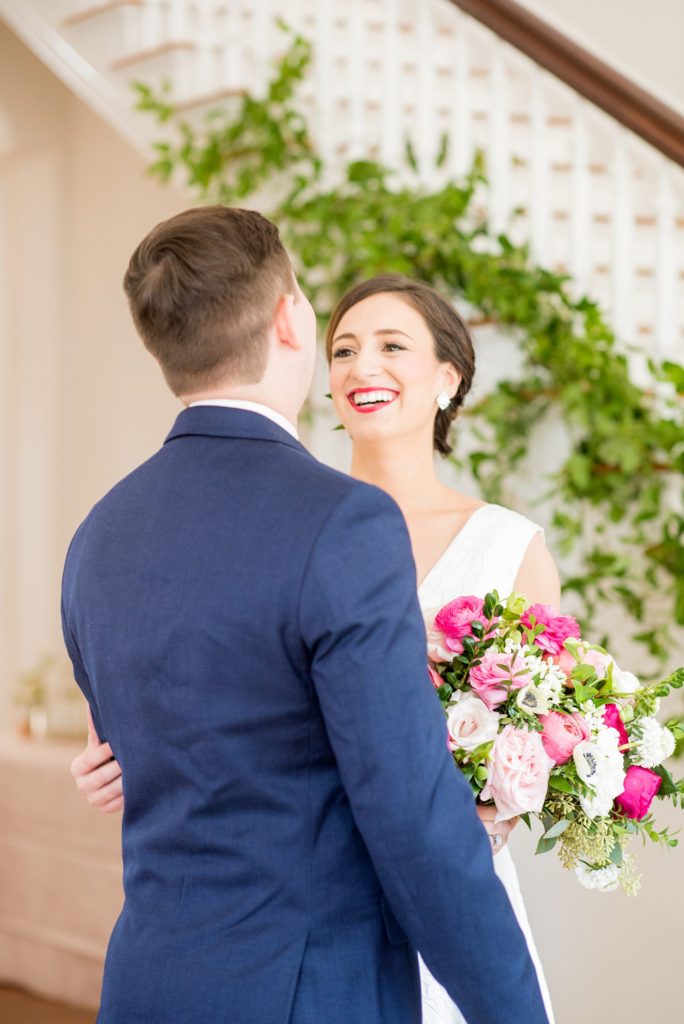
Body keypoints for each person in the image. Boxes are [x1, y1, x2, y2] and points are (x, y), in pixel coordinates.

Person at [63, 206, 549, 1024]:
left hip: (148, 981)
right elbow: (408, 814)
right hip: (307, 991)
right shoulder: (343, 523)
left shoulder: (98, 533)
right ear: (294, 320)